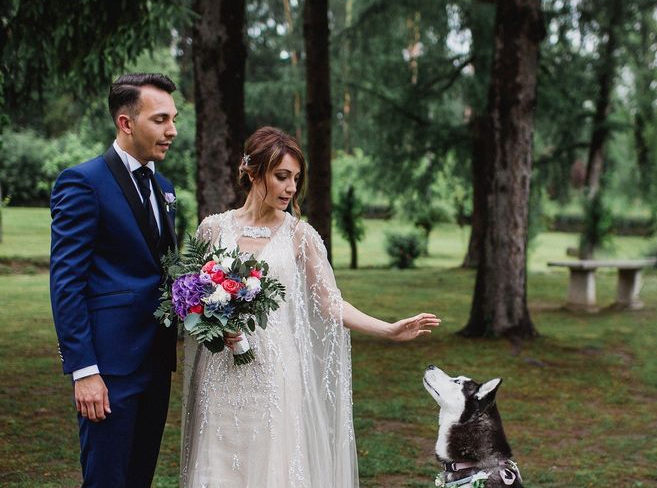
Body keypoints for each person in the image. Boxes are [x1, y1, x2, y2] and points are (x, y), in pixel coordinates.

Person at [180, 126, 440, 486]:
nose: (290, 188)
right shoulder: (212, 229)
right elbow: (190, 296)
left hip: (273, 371)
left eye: (296, 179)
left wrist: (388, 328)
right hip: (221, 369)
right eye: (281, 176)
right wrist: (213, 320)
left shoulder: (300, 235)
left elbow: (331, 304)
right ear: (252, 171)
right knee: (218, 462)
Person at [50, 73, 180, 486]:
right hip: (108, 368)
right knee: (106, 479)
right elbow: (66, 282)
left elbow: (160, 266)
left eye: (173, 119)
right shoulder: (82, 183)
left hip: (156, 363)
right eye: (160, 120)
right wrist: (84, 370)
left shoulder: (163, 186)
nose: (172, 131)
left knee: (139, 477)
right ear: (126, 123)